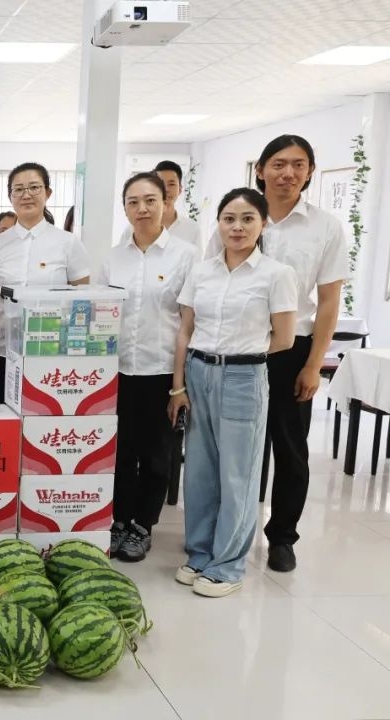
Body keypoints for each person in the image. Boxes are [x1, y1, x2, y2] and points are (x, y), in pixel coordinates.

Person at [204, 135, 347, 573]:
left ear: (310, 172)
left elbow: (328, 302)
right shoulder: (237, 218)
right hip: (237, 347)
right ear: (261, 170)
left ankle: (282, 537)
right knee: (232, 448)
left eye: (299, 165)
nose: (289, 173)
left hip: (292, 349)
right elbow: (210, 281)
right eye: (279, 164)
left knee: (289, 448)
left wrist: (313, 364)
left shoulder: (325, 227)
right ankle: (227, 531)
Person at [170, 187, 298, 597]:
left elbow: (284, 338)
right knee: (200, 472)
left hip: (243, 377)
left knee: (237, 474)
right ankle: (200, 553)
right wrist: (178, 386)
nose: (237, 227)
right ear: (219, 224)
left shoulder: (276, 274)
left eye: (247, 219)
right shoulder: (202, 271)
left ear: (262, 224)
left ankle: (227, 566)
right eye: (229, 218)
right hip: (197, 372)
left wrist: (240, 355)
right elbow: (185, 331)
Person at [95, 172, 196, 562]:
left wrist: (179, 385)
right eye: (133, 202)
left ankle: (143, 525)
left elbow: (188, 323)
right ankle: (120, 520)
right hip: (118, 371)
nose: (142, 208)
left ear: (165, 203)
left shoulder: (185, 256)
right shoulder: (113, 258)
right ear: (124, 208)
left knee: (157, 454)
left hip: (162, 372)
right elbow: (100, 315)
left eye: (150, 200)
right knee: (120, 452)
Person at [0, 163, 90, 404]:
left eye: (34, 187)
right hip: (1, 351)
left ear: (48, 193)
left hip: (50, 355)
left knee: (45, 418)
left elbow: (81, 298)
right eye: (18, 189)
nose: (26, 194)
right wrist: (7, 318)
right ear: (10, 196)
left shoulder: (68, 243)